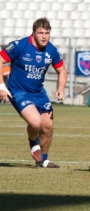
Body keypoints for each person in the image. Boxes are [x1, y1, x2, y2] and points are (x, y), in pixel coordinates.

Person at [0, 17, 67, 168]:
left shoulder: (52, 50)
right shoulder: (19, 45)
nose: (44, 36)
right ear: (33, 33)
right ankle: (33, 143)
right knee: (36, 122)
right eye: (41, 33)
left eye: (47, 33)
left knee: (48, 126)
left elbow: (62, 70)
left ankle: (42, 160)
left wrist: (61, 88)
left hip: (38, 92)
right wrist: (1, 86)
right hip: (19, 91)